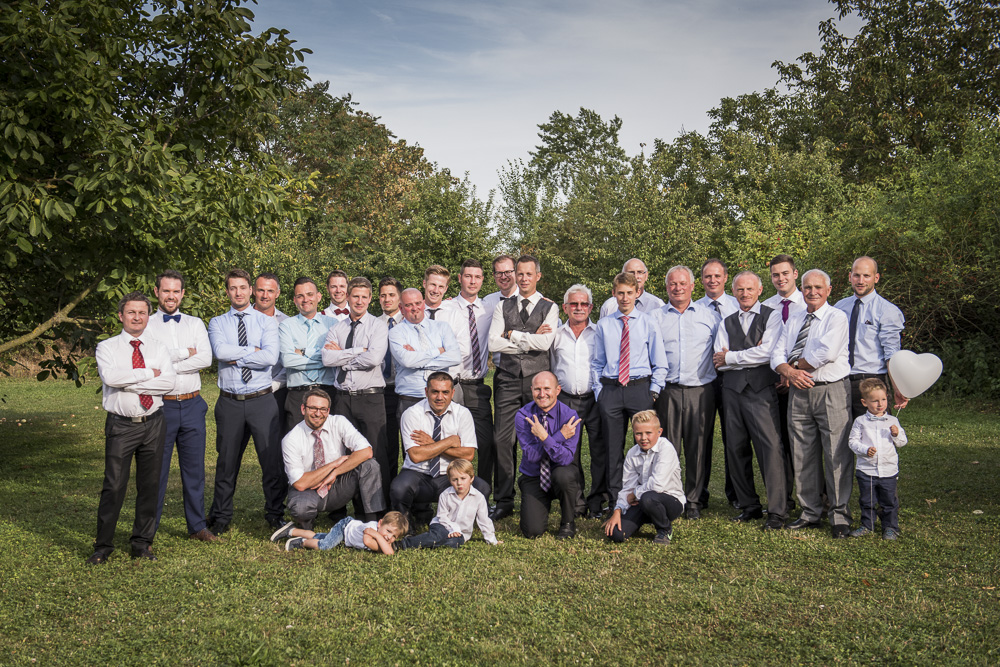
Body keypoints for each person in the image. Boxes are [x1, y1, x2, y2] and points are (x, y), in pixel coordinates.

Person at [87, 292, 176, 564]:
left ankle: (142, 543)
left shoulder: (159, 347)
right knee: (114, 485)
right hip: (121, 426)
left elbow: (169, 383)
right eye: (131, 312)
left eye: (142, 312)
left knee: (149, 485)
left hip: (153, 422)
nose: (137, 317)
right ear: (120, 316)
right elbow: (111, 378)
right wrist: (149, 373)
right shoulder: (107, 347)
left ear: (148, 316)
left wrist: (129, 382)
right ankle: (103, 546)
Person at [772, 269, 854, 539]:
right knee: (802, 454)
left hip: (830, 391)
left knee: (836, 454)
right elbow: (777, 353)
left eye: (818, 287)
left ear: (829, 290)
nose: (812, 292)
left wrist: (791, 367)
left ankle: (839, 516)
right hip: (798, 391)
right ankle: (809, 512)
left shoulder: (837, 317)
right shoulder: (794, 318)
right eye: (807, 287)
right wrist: (790, 372)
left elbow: (824, 354)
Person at [207, 269, 286, 534]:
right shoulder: (217, 322)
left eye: (243, 287)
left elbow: (271, 358)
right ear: (227, 291)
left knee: (270, 461)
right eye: (233, 288)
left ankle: (275, 513)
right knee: (227, 462)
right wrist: (253, 351)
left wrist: (237, 355)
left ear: (250, 289)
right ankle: (220, 516)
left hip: (262, 400)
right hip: (229, 401)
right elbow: (219, 352)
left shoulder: (266, 322)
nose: (238, 293)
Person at [712, 271, 788, 530]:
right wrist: (747, 354)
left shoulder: (772, 315)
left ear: (759, 289)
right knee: (735, 448)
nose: (744, 294)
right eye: (740, 290)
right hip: (732, 391)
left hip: (761, 391)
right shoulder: (726, 321)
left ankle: (777, 510)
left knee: (770, 448)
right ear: (733, 291)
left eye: (749, 289)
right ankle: (749, 505)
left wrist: (732, 356)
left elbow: (768, 352)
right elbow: (717, 361)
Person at [145, 270, 217, 543]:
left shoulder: (195, 323)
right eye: (166, 291)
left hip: (192, 404)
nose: (171, 296)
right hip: (161, 407)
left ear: (183, 294)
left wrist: (166, 363)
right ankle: (148, 529)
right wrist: (187, 353)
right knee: (156, 471)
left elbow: (206, 359)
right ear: (156, 292)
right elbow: (150, 364)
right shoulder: (147, 325)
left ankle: (197, 525)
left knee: (194, 470)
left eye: (176, 291)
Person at [487, 254, 559, 521]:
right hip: (506, 379)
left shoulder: (549, 306)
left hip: (537, 382)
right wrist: (530, 339)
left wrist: (512, 335)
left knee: (540, 437)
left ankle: (542, 494)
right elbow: (493, 344)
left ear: (537, 276)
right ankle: (504, 500)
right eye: (520, 274)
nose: (524, 278)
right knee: (501, 440)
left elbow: (545, 344)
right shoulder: (502, 307)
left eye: (529, 274)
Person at [592, 272, 667, 519]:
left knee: (644, 448)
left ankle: (643, 500)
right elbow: (597, 362)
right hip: (611, 390)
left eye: (629, 293)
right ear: (614, 294)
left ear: (637, 294)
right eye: (620, 293)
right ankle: (617, 502)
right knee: (613, 450)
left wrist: (653, 391)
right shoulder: (604, 325)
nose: (625, 297)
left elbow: (660, 361)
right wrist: (599, 392)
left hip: (639, 389)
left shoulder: (648, 322)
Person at [651, 265, 720, 519]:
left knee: (698, 446)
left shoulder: (710, 316)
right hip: (668, 390)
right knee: (668, 447)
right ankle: (671, 496)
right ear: (666, 286)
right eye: (672, 284)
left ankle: (694, 501)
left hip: (701, 390)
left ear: (693, 286)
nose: (677, 288)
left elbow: (722, 348)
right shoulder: (656, 317)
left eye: (682, 283)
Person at [389, 372, 491, 527]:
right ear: (426, 392)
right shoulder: (412, 413)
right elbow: (416, 456)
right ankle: (405, 525)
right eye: (434, 392)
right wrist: (449, 441)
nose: (439, 397)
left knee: (481, 487)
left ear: (452, 393)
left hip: (450, 475)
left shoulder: (462, 413)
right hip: (418, 473)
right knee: (399, 488)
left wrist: (430, 443)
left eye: (445, 392)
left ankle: (458, 520)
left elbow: (468, 454)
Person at [275, 389, 385, 530]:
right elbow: (300, 483)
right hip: (309, 488)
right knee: (300, 508)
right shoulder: (291, 439)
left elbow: (366, 451)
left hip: (337, 486)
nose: (318, 413)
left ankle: (371, 522)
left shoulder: (338, 422)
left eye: (323, 409)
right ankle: (307, 526)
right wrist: (332, 465)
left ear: (328, 410)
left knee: (370, 466)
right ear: (303, 409)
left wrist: (335, 472)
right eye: (313, 408)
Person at [323, 277, 390, 495]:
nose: (359, 301)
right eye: (355, 296)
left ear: (370, 299)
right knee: (341, 451)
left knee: (375, 451)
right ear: (348, 298)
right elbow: (326, 358)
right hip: (342, 397)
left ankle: (379, 509)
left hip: (370, 398)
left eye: (364, 297)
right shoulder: (337, 328)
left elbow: (373, 359)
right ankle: (343, 503)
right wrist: (357, 351)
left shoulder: (378, 327)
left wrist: (341, 358)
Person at [441, 259, 494, 491]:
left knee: (486, 442)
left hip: (477, 384)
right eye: (468, 276)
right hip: (454, 384)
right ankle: (449, 492)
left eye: (478, 277)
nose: (473, 281)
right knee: (452, 442)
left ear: (483, 280)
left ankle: (483, 492)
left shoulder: (489, 308)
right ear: (460, 278)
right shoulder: (446, 308)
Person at [834, 256, 908, 418]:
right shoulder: (839, 307)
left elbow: (891, 354)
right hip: (839, 380)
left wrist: (897, 387)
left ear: (876, 278)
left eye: (866, 276)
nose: (861, 280)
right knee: (841, 435)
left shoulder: (887, 311)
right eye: (856, 275)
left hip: (871, 381)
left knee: (875, 435)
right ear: (850, 277)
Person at [550, 284, 601, 518]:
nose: (578, 308)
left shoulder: (599, 333)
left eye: (583, 304)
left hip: (596, 400)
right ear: (565, 308)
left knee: (600, 452)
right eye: (574, 304)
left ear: (590, 307)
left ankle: (598, 502)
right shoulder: (556, 336)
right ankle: (577, 502)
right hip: (567, 402)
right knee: (571, 454)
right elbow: (550, 368)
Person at [515, 371, 584, 539]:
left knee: (564, 475)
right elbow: (531, 456)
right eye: (537, 389)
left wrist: (544, 437)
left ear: (558, 390)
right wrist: (558, 437)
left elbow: (566, 458)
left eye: (547, 388)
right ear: (531, 390)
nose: (542, 394)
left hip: (560, 472)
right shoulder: (523, 415)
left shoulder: (570, 416)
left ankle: (567, 523)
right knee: (532, 531)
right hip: (534, 474)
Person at [695, 258, 740, 507]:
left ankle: (735, 493)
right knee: (703, 437)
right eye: (707, 276)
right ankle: (700, 494)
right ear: (701, 280)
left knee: (734, 437)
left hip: (732, 378)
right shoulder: (695, 308)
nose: (712, 280)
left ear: (725, 278)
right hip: (705, 380)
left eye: (717, 276)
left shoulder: (738, 305)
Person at [761, 254, 805, 511]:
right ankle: (783, 499)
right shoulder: (766, 307)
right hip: (772, 384)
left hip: (801, 381)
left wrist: (791, 374)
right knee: (777, 444)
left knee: (804, 443)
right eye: (776, 275)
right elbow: (763, 347)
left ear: (795, 274)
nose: (780, 278)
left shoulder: (809, 302)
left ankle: (815, 499)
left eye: (785, 273)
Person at [603, 411, 685, 545]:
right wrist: (618, 510)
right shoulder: (632, 453)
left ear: (659, 432)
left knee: (648, 498)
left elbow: (658, 485)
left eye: (648, 433)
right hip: (642, 501)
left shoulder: (666, 449)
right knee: (616, 534)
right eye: (638, 433)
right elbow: (628, 487)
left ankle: (665, 529)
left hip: (670, 501)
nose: (643, 438)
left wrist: (634, 494)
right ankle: (638, 521)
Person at [848, 378, 907, 540]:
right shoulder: (860, 422)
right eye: (874, 401)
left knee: (889, 501)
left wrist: (897, 434)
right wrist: (865, 450)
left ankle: (890, 527)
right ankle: (868, 525)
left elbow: (902, 443)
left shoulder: (892, 421)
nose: (880, 404)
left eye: (883, 399)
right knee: (867, 500)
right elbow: (852, 442)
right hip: (867, 470)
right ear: (864, 402)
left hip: (888, 470)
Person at [388, 288, 460, 416]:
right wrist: (437, 351)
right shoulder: (396, 332)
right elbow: (407, 361)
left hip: (441, 398)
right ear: (401, 308)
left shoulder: (442, 327)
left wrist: (418, 358)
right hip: (410, 399)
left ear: (423, 303)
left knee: (444, 436)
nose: (415, 308)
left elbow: (455, 357)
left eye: (417, 303)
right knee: (413, 436)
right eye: (409, 305)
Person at [398, 460, 501, 549]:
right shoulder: (445, 495)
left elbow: (484, 521)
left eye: (463, 478)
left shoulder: (478, 498)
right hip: (442, 525)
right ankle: (403, 544)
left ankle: (429, 541)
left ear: (471, 478)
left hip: (461, 533)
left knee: (453, 543)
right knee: (438, 536)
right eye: (455, 479)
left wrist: (492, 540)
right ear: (450, 480)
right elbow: (442, 517)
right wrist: (453, 529)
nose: (459, 483)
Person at [279, 277, 336, 429]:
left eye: (310, 294)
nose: (305, 299)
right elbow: (287, 360)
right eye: (300, 296)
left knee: (330, 444)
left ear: (318, 296)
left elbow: (335, 358)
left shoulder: (333, 324)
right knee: (297, 445)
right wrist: (324, 357)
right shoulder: (286, 326)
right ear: (294, 300)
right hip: (298, 395)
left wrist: (302, 352)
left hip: (328, 392)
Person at [249, 272, 290, 434]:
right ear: (253, 290)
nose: (265, 296)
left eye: (270, 291)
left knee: (273, 448)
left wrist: (272, 386)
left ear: (277, 293)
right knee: (232, 450)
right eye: (261, 290)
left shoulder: (286, 323)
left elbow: (289, 361)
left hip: (275, 392)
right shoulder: (240, 320)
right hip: (242, 390)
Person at [278, 511, 408, 554]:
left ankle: (291, 531)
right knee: (324, 545)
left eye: (394, 536)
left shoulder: (378, 535)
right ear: (380, 523)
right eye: (388, 531)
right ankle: (301, 543)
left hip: (346, 537)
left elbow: (389, 552)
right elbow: (367, 541)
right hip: (344, 528)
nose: (388, 536)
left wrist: (378, 537)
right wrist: (376, 535)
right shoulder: (371, 528)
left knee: (318, 536)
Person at [378, 276, 405, 481]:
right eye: (383, 295)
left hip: (406, 389)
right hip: (383, 390)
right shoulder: (373, 324)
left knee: (409, 443)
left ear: (399, 298)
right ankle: (387, 497)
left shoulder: (410, 322)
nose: (387, 299)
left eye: (391, 295)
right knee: (387, 444)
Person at [598, 258, 665, 319]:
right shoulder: (609, 306)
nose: (636, 276)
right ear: (622, 275)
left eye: (639, 272)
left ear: (646, 275)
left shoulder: (657, 305)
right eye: (631, 273)